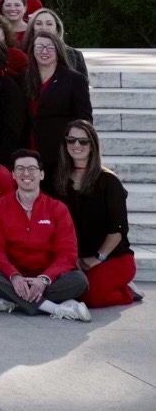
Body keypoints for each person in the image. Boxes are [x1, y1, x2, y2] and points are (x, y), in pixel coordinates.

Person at [0, 149, 91, 320]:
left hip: (48, 279)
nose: (26, 173)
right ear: (13, 175)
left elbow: (67, 254)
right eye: (20, 169)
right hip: (12, 278)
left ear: (41, 174)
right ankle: (52, 308)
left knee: (79, 281)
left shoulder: (58, 209)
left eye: (32, 168)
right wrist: (14, 276)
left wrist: (44, 279)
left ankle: (11, 302)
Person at [57, 120, 138, 308]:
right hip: (76, 260)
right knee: (69, 293)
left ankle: (127, 292)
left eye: (83, 141)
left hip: (111, 258)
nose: (76, 145)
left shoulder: (108, 181)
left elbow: (118, 230)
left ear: (92, 145)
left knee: (88, 298)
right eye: (71, 140)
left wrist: (97, 258)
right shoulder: (58, 179)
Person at [25, 32, 93, 186]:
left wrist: (78, 149)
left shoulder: (75, 80)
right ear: (32, 50)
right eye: (40, 47)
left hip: (60, 152)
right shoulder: (23, 78)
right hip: (28, 150)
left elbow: (84, 120)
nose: (44, 51)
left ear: (58, 51)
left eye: (50, 47)